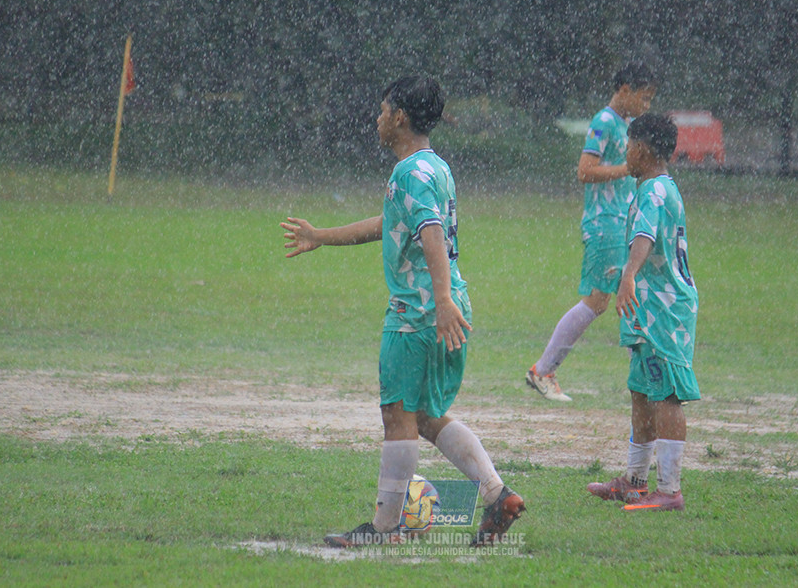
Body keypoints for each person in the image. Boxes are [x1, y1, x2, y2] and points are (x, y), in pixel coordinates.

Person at [281, 76, 525, 547]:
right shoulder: (434, 168)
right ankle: (497, 493)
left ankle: (385, 528)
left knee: (398, 416)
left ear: (399, 117)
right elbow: (394, 224)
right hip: (445, 307)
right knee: (427, 417)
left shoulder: (408, 173)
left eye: (381, 109)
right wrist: (321, 236)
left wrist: (440, 301)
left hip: (419, 314)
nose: (376, 118)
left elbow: (431, 231)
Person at [586, 113, 699, 512]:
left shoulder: (653, 191)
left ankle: (669, 491)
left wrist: (629, 275)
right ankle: (635, 482)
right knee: (642, 391)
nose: (625, 153)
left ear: (642, 148)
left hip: (664, 310)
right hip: (647, 309)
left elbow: (645, 236)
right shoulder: (655, 187)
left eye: (629, 145)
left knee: (666, 396)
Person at [525, 61, 657, 402]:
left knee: (627, 295)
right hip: (604, 223)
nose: (646, 107)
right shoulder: (603, 122)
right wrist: (627, 168)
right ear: (624, 90)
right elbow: (585, 171)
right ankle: (543, 370)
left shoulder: (625, 124)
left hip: (620, 222)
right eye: (643, 98)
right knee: (599, 300)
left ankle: (646, 378)